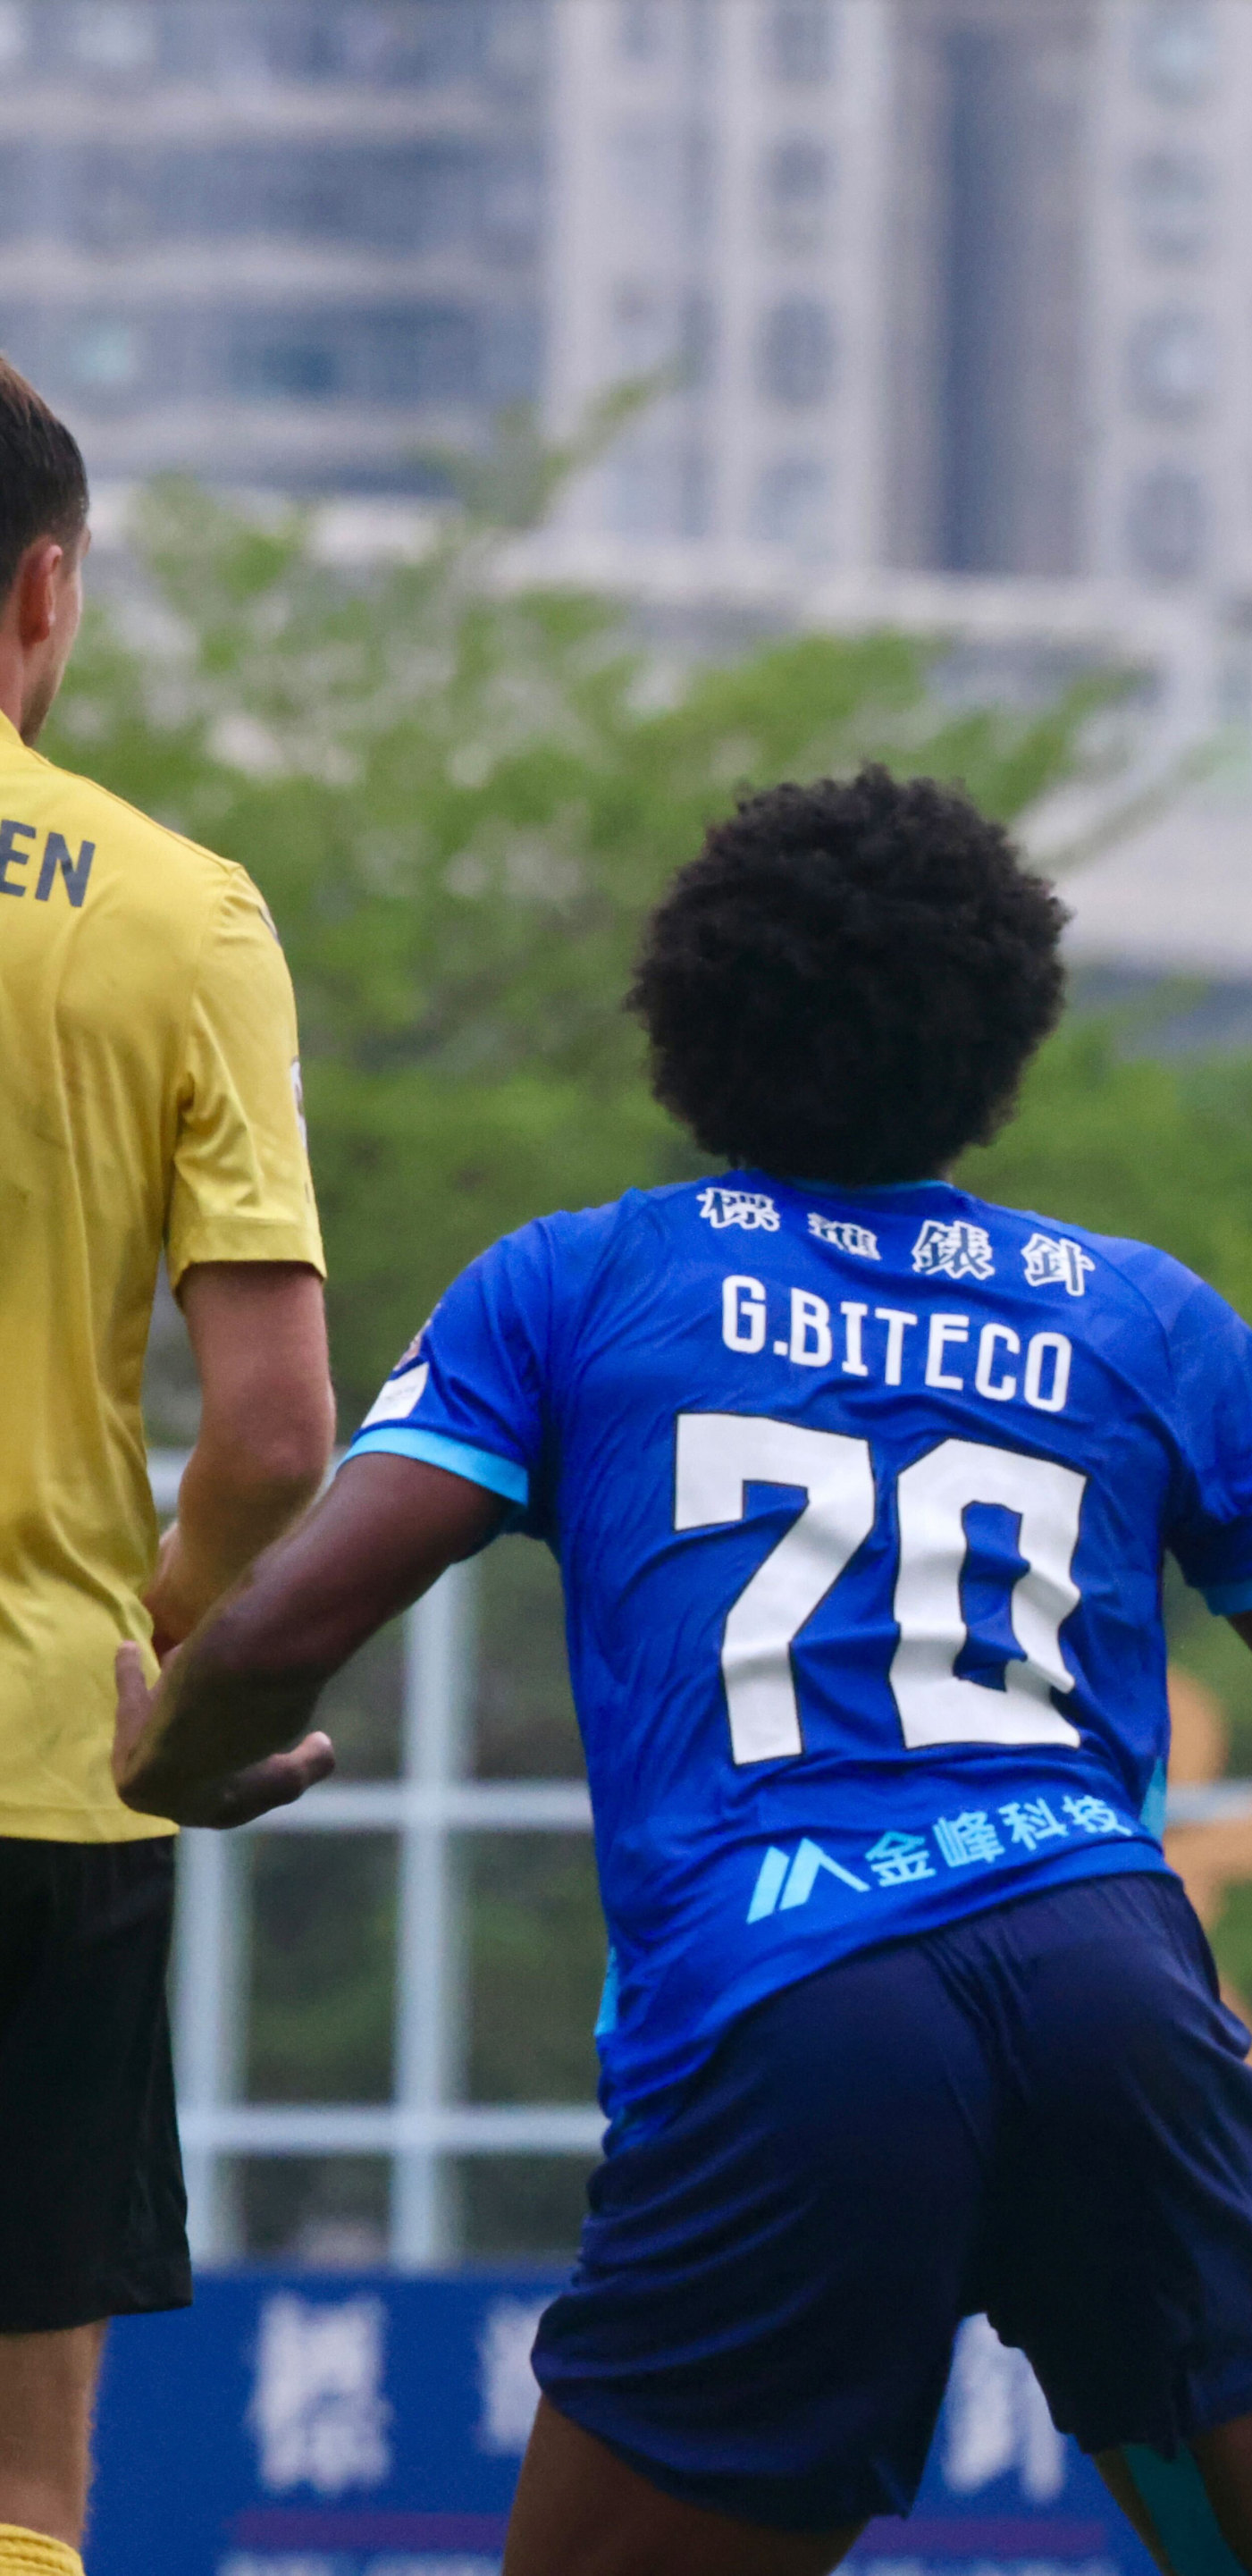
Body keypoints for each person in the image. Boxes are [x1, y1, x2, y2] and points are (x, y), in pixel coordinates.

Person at [112, 770, 1252, 2576]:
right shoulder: (1147, 1315)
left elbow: (281, 1630)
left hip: (800, 2002)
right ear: (1001, 1033)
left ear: (694, 1016)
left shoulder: (578, 1283)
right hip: (1110, 1984)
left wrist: (178, 1754)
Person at [0, 357, 338, 2576]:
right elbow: (278, 1429)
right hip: (41, 1763)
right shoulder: (174, 912)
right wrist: (174, 1651)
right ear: (44, 592)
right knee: (20, 2487)